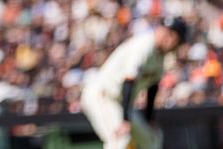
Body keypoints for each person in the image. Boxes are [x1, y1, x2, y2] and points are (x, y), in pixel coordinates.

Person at [80, 17, 188, 149]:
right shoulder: (144, 45)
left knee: (152, 137)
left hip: (120, 103)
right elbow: (128, 81)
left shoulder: (161, 55)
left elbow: (152, 88)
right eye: (168, 33)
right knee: (120, 139)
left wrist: (149, 118)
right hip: (102, 96)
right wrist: (125, 120)